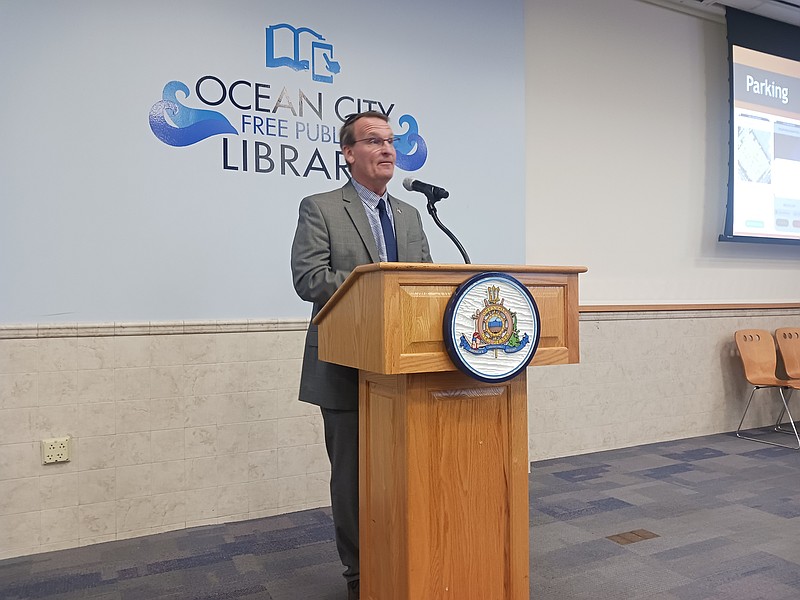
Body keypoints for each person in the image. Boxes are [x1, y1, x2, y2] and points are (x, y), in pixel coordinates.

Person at [290, 111, 433, 600]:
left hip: (404, 367)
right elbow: (309, 279)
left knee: (404, 473)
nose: (387, 149)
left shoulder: (410, 214)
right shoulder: (321, 207)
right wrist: (377, 286)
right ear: (349, 153)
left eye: (390, 141)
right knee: (352, 479)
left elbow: (426, 280)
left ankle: (404, 559)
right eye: (374, 141)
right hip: (345, 363)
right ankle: (359, 574)